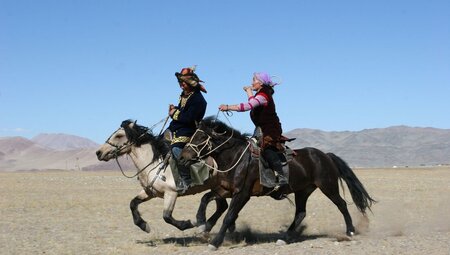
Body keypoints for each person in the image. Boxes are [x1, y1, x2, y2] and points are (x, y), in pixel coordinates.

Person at [218, 72, 287, 185]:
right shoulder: (260, 95)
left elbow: (248, 106)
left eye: (254, 80)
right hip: (260, 130)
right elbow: (252, 101)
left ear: (260, 83)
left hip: (270, 130)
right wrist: (249, 91)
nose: (252, 82)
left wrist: (228, 107)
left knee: (267, 149)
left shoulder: (264, 95)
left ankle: (281, 175)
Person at [167, 66, 207, 193]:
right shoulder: (184, 95)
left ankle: (186, 178)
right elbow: (182, 112)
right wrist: (175, 111)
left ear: (191, 84)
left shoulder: (199, 100)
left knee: (176, 148)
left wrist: (174, 113)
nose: (181, 86)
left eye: (183, 83)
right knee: (159, 142)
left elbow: (189, 118)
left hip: (189, 130)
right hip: (177, 127)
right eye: (180, 83)